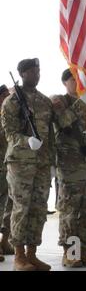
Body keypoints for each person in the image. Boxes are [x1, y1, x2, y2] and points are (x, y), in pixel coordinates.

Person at [1, 58, 55, 271]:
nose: (37, 74)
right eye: (32, 71)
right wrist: (26, 141)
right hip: (20, 163)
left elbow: (50, 134)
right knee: (21, 208)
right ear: (22, 74)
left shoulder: (44, 101)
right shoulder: (11, 102)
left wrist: (52, 162)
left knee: (39, 208)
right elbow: (10, 134)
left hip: (42, 162)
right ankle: (19, 256)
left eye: (38, 70)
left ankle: (32, 253)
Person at [51, 69, 86, 267]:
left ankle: (82, 249)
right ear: (65, 82)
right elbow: (64, 122)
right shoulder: (59, 101)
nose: (79, 82)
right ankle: (70, 252)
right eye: (74, 79)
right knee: (71, 209)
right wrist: (81, 102)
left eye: (81, 78)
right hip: (71, 166)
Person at [0, 85, 13, 262]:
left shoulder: (9, 116)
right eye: (4, 96)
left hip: (10, 167)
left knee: (9, 206)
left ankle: (5, 240)